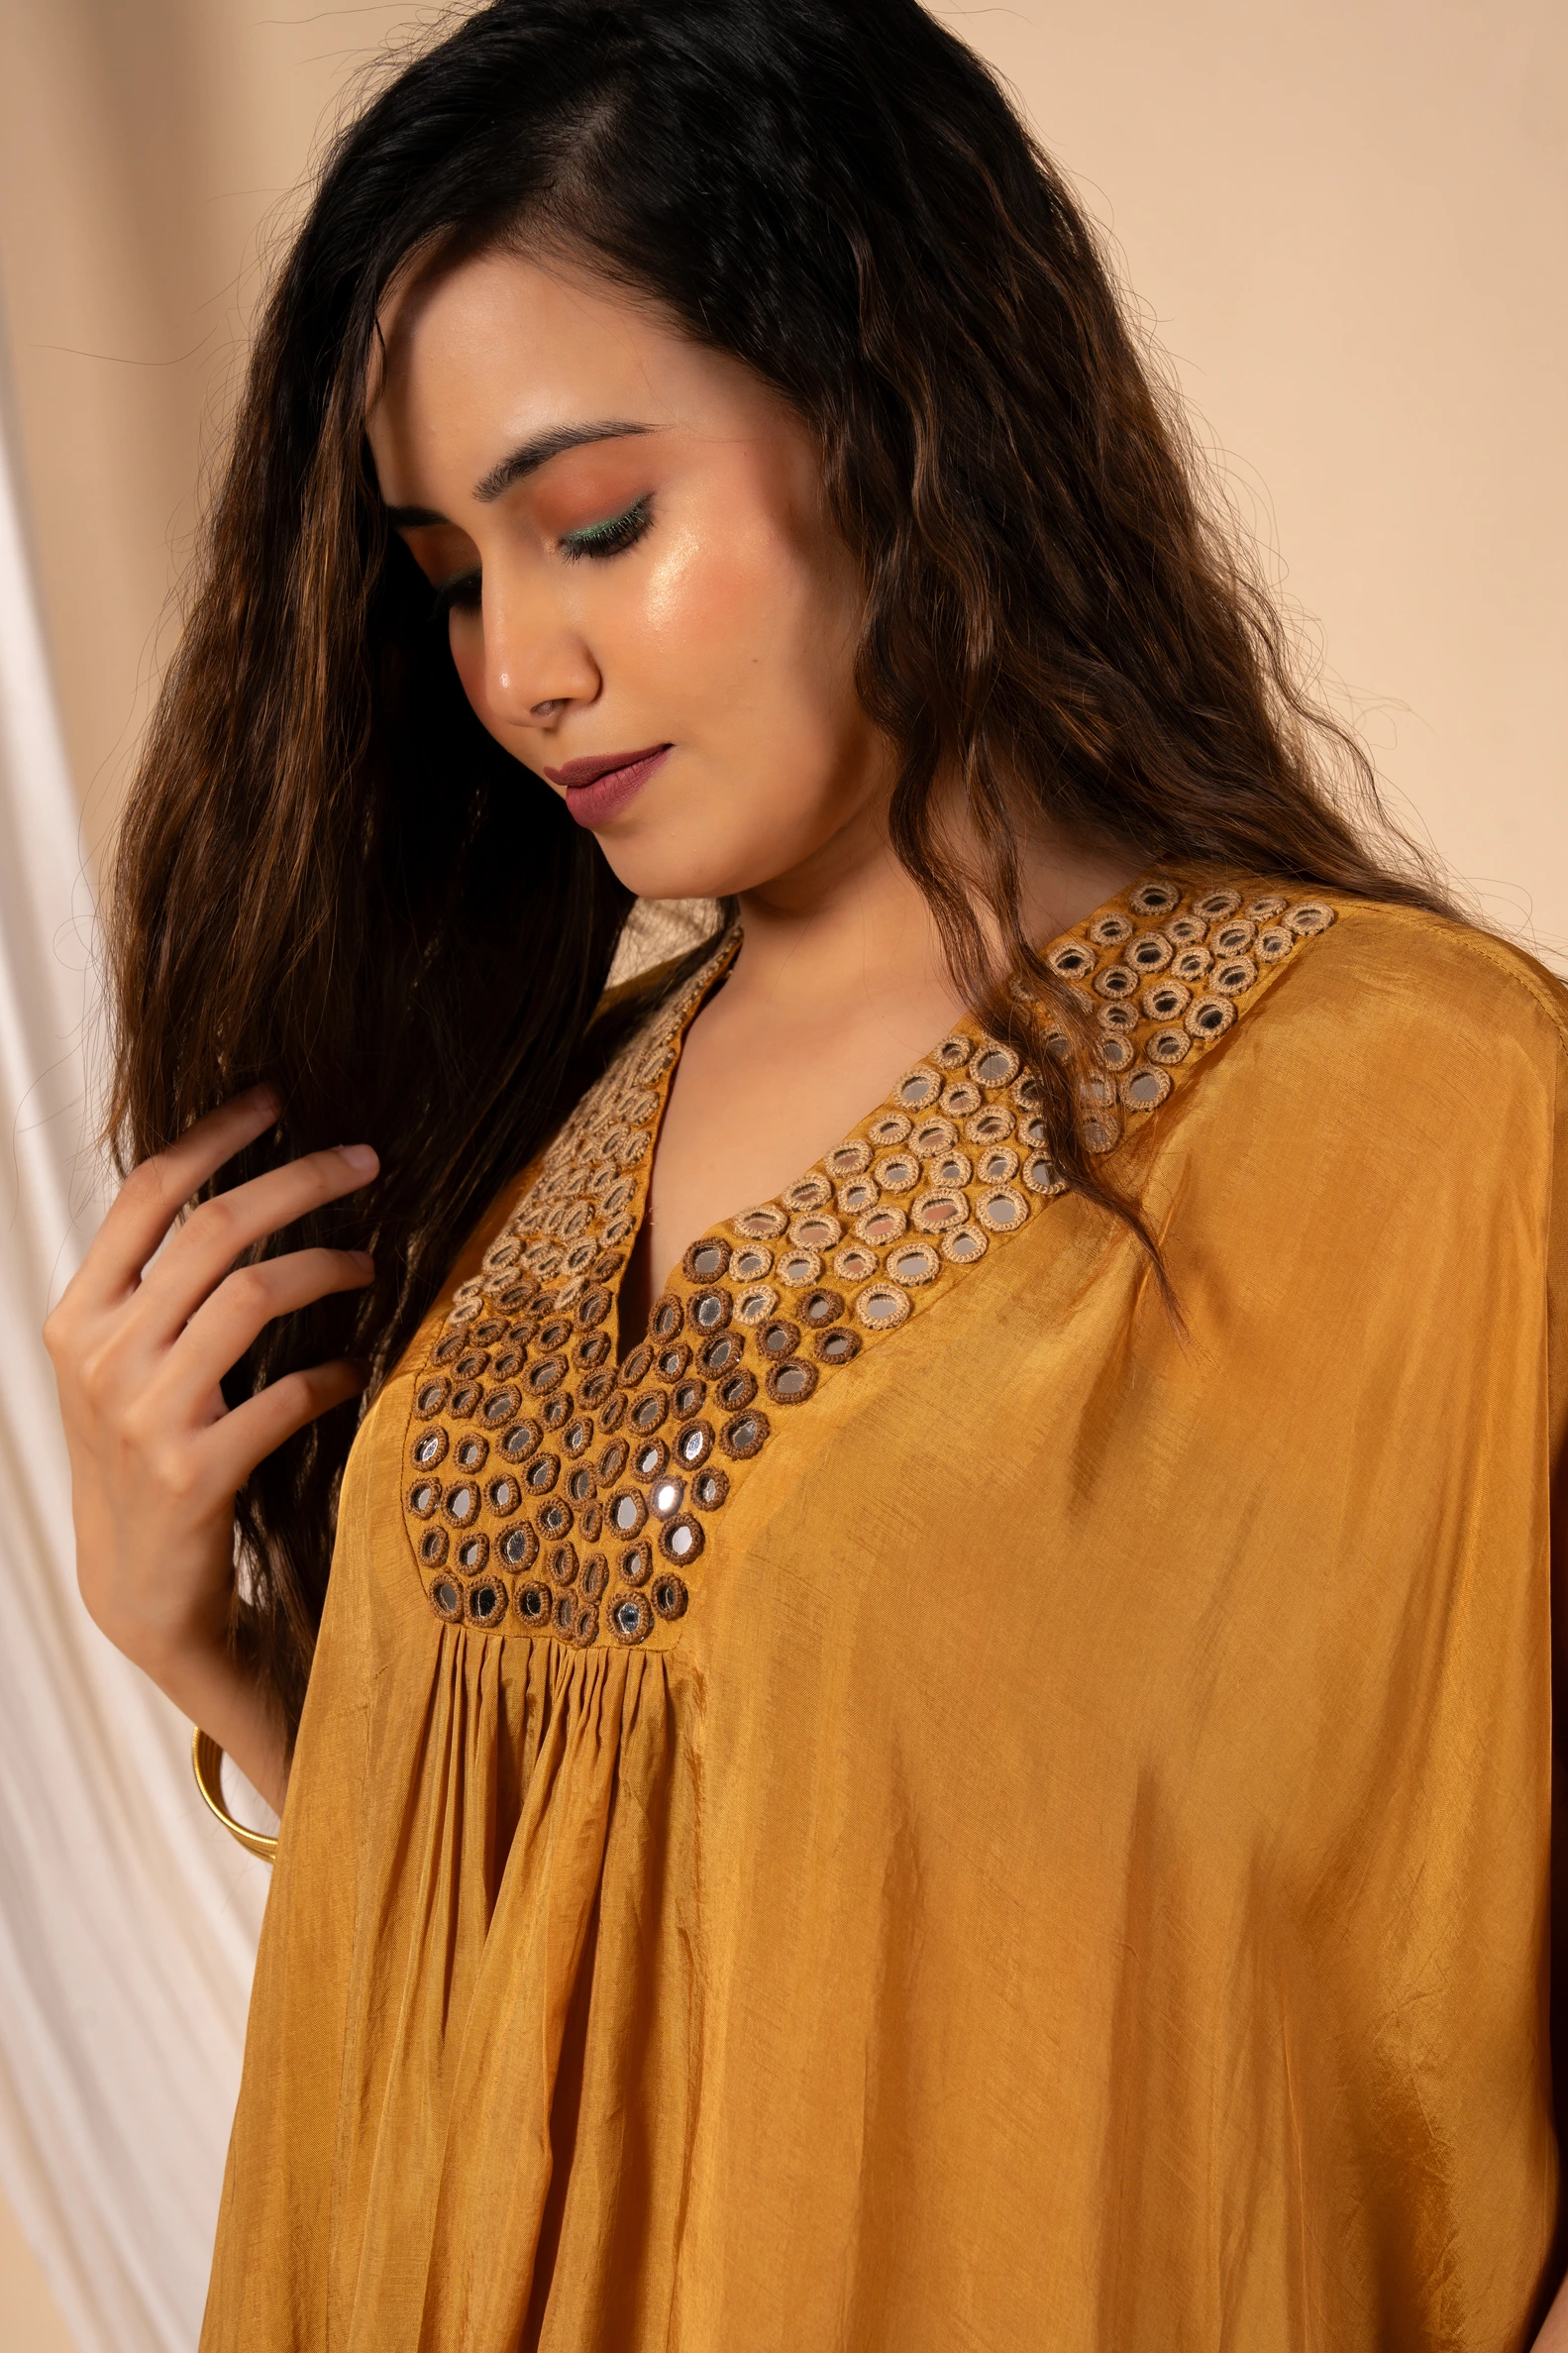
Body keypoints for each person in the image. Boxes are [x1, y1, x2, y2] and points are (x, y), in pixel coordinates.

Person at [42, 0, 1568, 2344]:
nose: (517, 667)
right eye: (446, 572)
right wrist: (212, 1648)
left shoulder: (1425, 1120)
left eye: (594, 524)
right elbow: (553, 1959)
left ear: (896, 412)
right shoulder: (529, 1136)